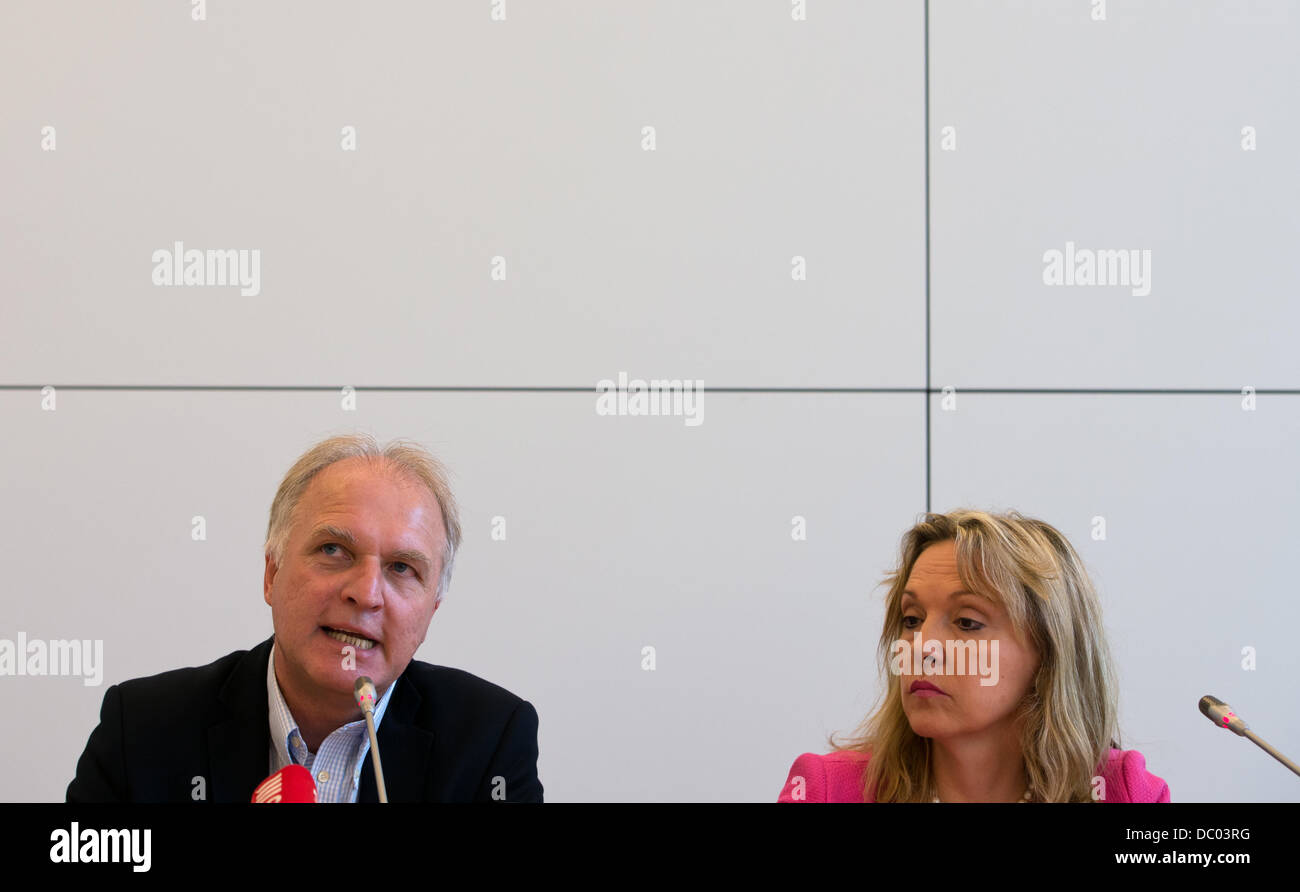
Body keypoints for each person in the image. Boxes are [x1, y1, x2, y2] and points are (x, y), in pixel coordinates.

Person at [67, 433, 542, 802]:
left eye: (402, 568)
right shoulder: (144, 731)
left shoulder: (489, 741)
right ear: (272, 573)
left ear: (431, 610)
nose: (366, 594)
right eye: (334, 550)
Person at [778, 509, 1169, 803]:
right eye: (911, 619)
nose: (920, 648)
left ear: (1049, 652)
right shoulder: (829, 790)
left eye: (966, 622)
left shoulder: (1122, 792)